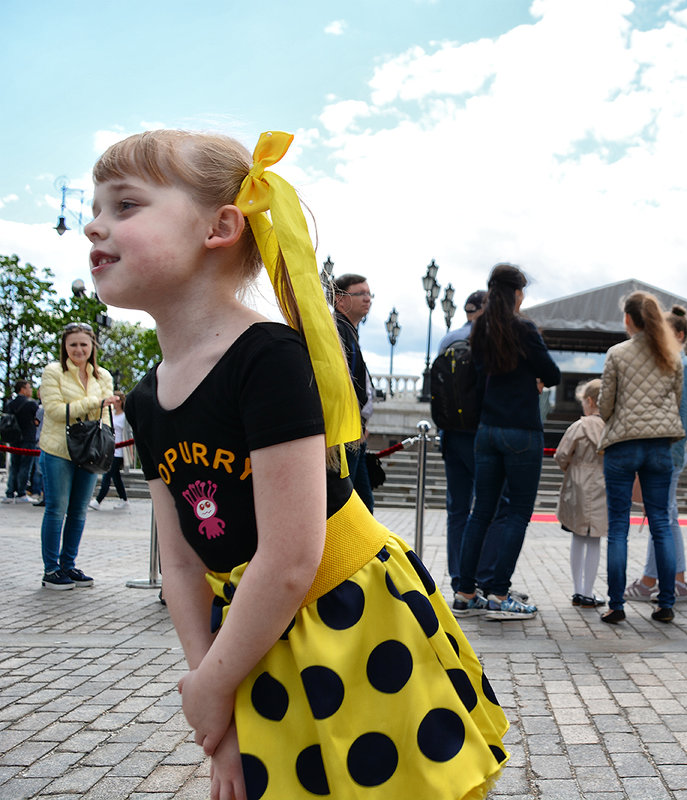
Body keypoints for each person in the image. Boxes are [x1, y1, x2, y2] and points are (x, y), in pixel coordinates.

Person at [88, 129, 507, 799]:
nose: (93, 223)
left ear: (220, 227)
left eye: (125, 205)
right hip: (252, 635)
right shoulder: (146, 397)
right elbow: (184, 563)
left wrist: (214, 683)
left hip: (348, 617)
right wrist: (212, 701)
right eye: (95, 206)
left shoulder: (267, 357)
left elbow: (290, 556)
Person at [452, 263, 560, 621]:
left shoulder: (480, 328)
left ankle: (465, 592)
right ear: (516, 293)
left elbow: (483, 376)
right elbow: (552, 373)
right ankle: (499, 592)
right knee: (516, 513)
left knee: (480, 511)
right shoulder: (523, 328)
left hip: (487, 431)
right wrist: (532, 378)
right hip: (521, 431)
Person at [597, 291, 684, 625]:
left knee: (619, 527)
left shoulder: (617, 353)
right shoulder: (670, 353)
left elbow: (605, 406)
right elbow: (675, 402)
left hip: (622, 445)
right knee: (660, 523)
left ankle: (616, 605)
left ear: (630, 319)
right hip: (660, 447)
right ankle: (666, 603)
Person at [434, 289, 512, 601]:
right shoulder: (492, 340)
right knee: (491, 507)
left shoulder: (448, 340)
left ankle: (458, 577)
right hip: (483, 435)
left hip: (451, 435)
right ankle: (481, 577)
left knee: (457, 508)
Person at [625, 304, 687, 604]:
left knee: (662, 517)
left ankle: (657, 581)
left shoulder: (680, 365)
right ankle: (671, 581)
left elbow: (678, 418)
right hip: (670, 449)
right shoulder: (680, 365)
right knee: (665, 516)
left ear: (679, 335)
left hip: (665, 450)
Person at [37, 323, 119, 590]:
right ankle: (51, 570)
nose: (78, 349)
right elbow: (55, 411)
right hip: (58, 449)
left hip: (90, 450)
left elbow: (103, 412)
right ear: (64, 347)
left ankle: (68, 565)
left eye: (84, 344)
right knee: (56, 510)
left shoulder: (103, 375)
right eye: (73, 344)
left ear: (92, 347)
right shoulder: (53, 372)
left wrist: (94, 407)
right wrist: (94, 403)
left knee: (79, 511)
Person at [554, 379, 607, 607]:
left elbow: (561, 454)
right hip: (601, 484)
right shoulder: (610, 427)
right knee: (594, 538)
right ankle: (588, 591)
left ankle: (577, 590)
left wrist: (571, 467)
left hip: (577, 484)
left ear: (589, 401)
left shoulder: (579, 426)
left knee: (577, 535)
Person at [332, 272, 376, 512]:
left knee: (362, 504)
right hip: (346, 433)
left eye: (369, 294)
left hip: (353, 430)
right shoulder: (338, 329)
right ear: (340, 299)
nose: (367, 299)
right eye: (360, 294)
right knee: (354, 505)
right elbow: (342, 382)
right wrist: (354, 423)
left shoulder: (348, 330)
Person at [91, 391, 130, 510]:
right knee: (115, 476)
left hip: (119, 450)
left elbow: (128, 434)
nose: (116, 403)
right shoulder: (111, 414)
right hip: (109, 448)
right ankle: (124, 499)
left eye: (118, 401)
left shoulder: (124, 416)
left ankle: (98, 500)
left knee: (107, 475)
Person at [3, 380, 39, 503]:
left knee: (14, 465)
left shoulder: (10, 404)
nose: (31, 390)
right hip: (28, 437)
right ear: (22, 389)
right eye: (29, 388)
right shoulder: (31, 404)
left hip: (14, 437)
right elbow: (38, 419)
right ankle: (21, 493)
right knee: (25, 466)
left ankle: (9, 492)